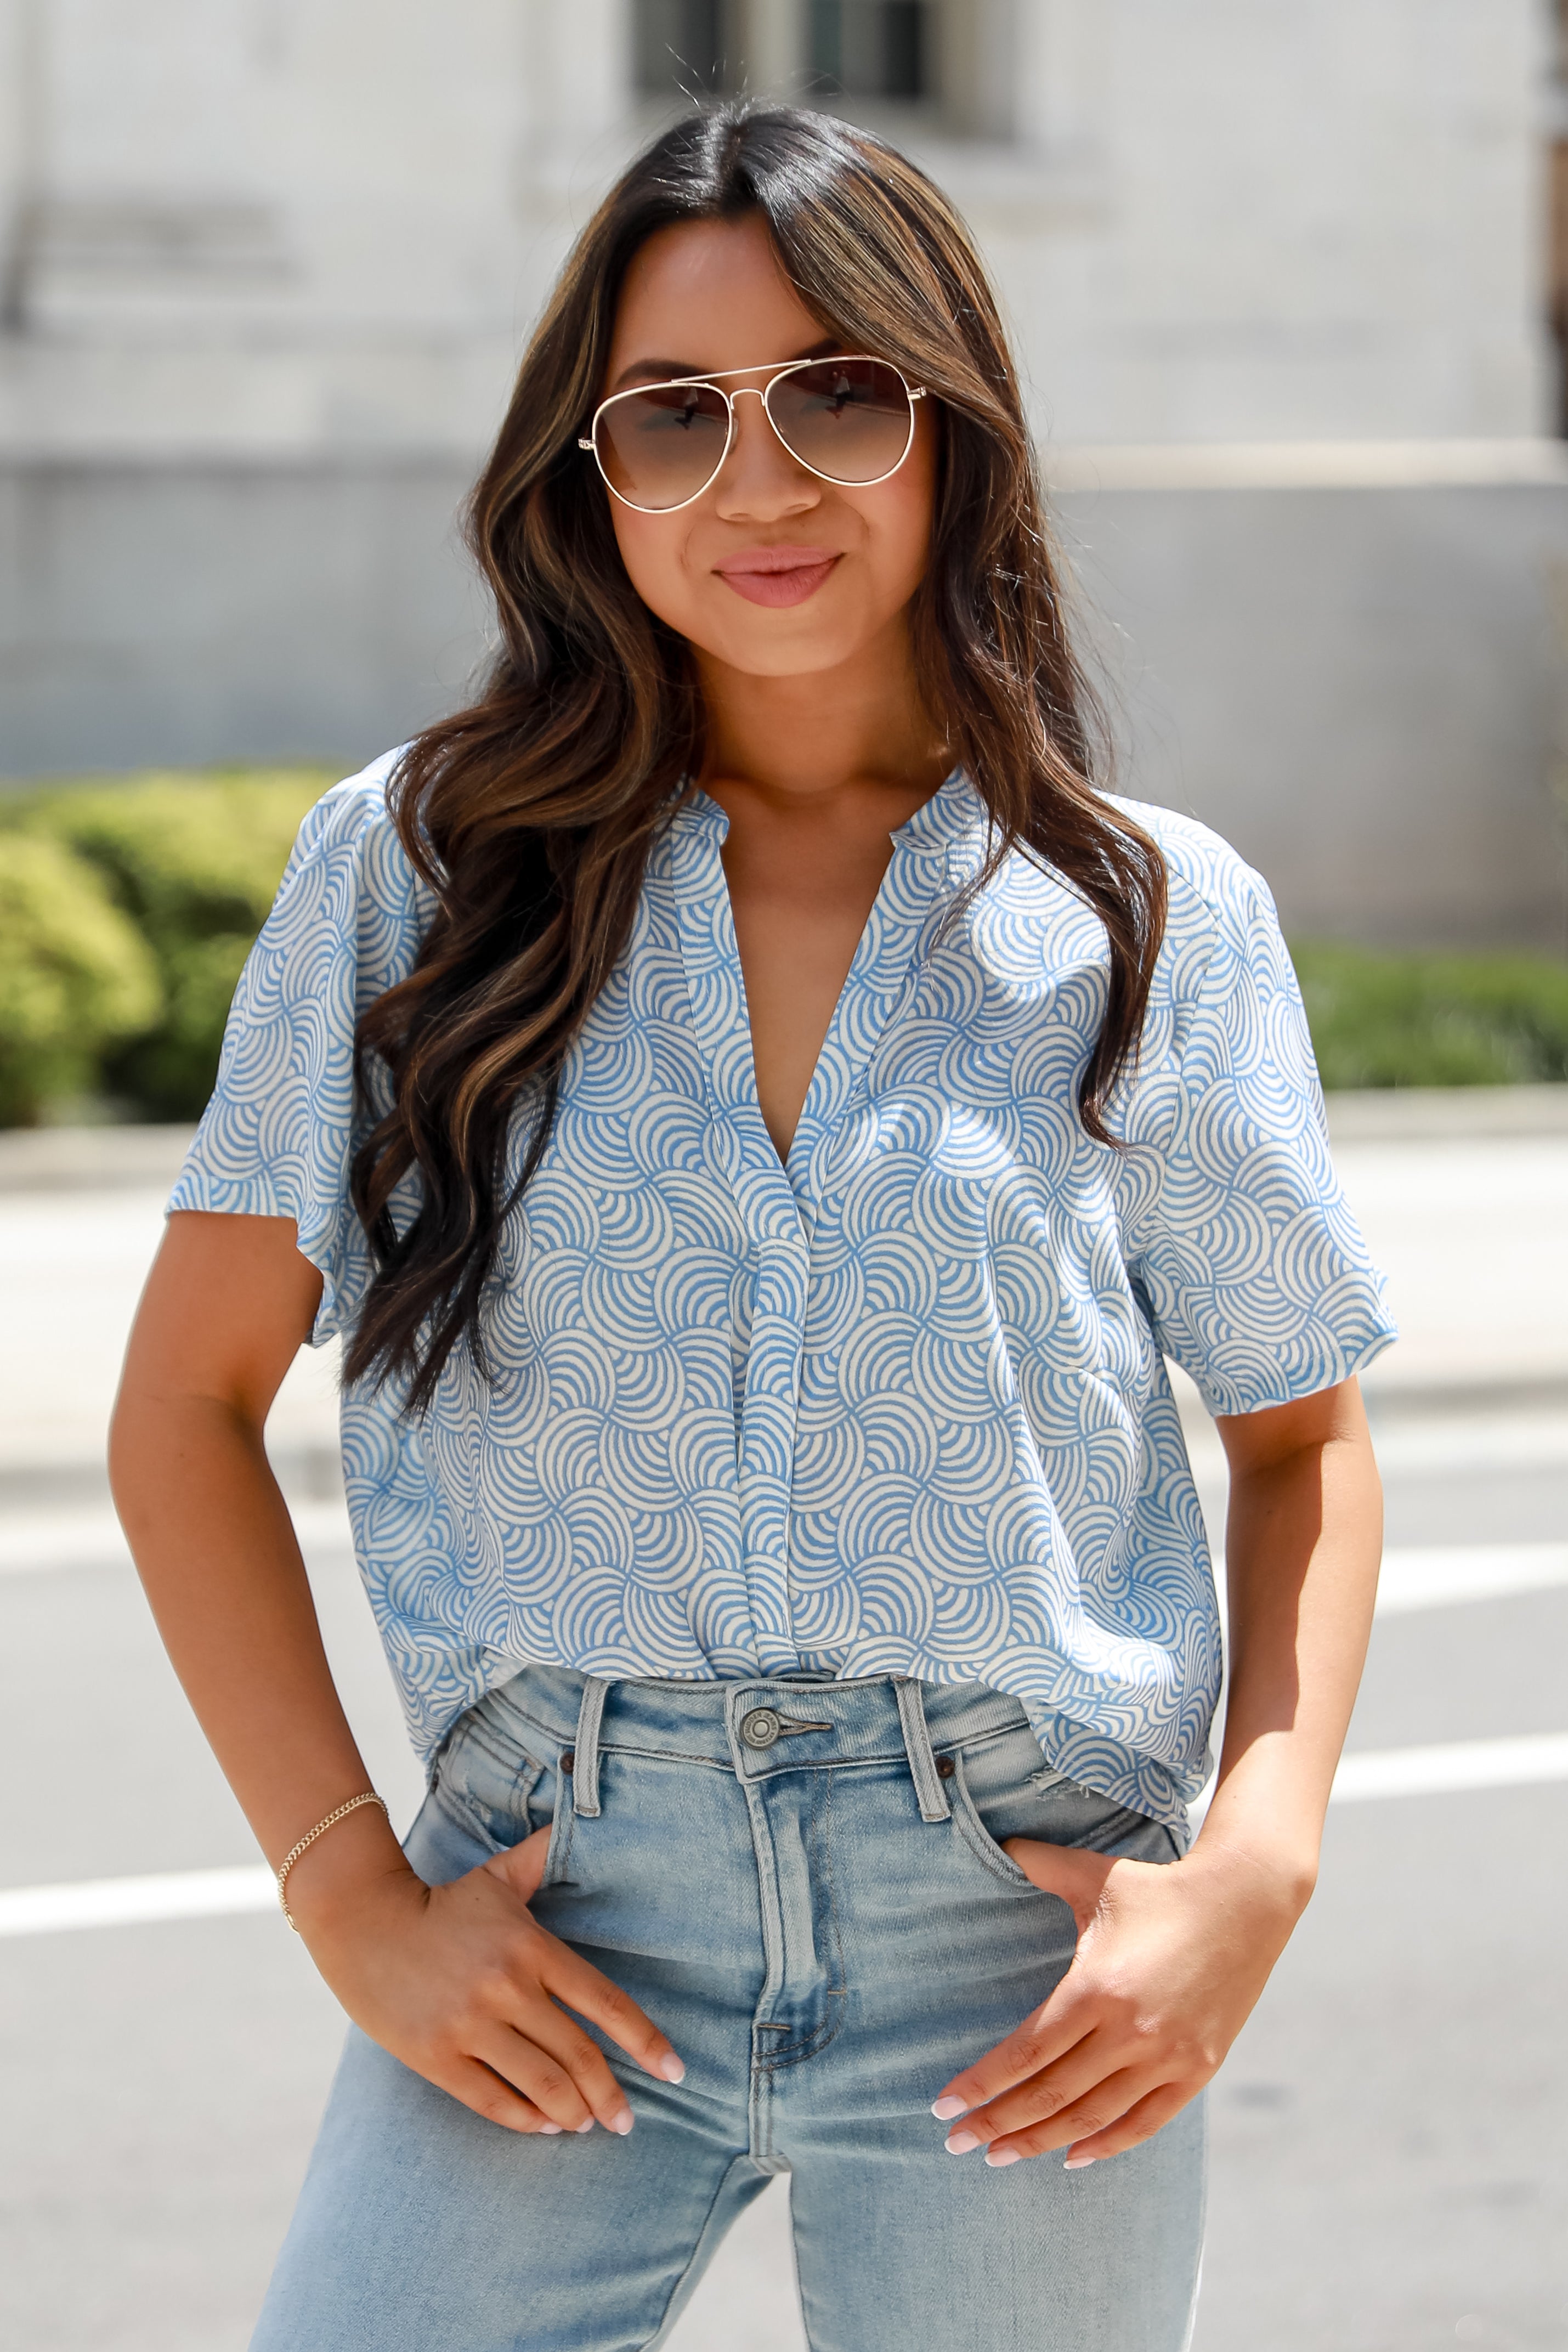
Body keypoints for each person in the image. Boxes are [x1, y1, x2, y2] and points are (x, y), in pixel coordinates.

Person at [111, 103, 1394, 2352]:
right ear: (588, 475)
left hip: (1016, 1949)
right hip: (556, 1919)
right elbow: (181, 1412)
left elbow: (1302, 1439)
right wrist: (347, 1899)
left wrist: (1256, 1870)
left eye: (835, 394)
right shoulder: (414, 879)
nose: (759, 483)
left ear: (951, 425)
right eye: (672, 416)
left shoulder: (1144, 916)